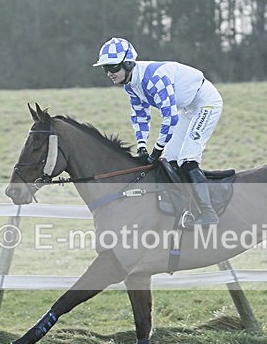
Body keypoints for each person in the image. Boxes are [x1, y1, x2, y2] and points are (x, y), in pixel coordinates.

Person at [93, 37, 222, 225]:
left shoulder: (155, 78)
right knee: (169, 160)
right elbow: (140, 116)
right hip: (187, 107)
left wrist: (156, 149)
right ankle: (186, 208)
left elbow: (169, 118)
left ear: (128, 64)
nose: (109, 73)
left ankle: (208, 213)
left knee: (187, 158)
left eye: (113, 68)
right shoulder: (130, 86)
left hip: (205, 102)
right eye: (106, 69)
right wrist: (142, 146)